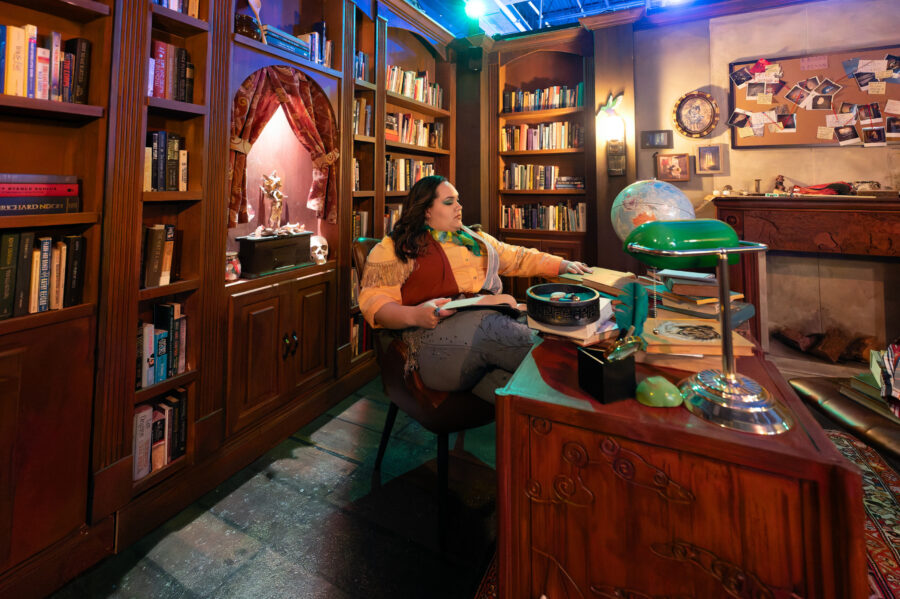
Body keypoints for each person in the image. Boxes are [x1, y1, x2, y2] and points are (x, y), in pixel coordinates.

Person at [358, 175, 591, 402]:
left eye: (458, 200)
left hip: (484, 332)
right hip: (428, 341)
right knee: (495, 328)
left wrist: (563, 264)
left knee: (527, 387)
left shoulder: (474, 239)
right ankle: (589, 373)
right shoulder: (395, 247)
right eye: (449, 202)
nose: (459, 206)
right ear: (426, 210)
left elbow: (517, 257)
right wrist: (414, 314)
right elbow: (374, 304)